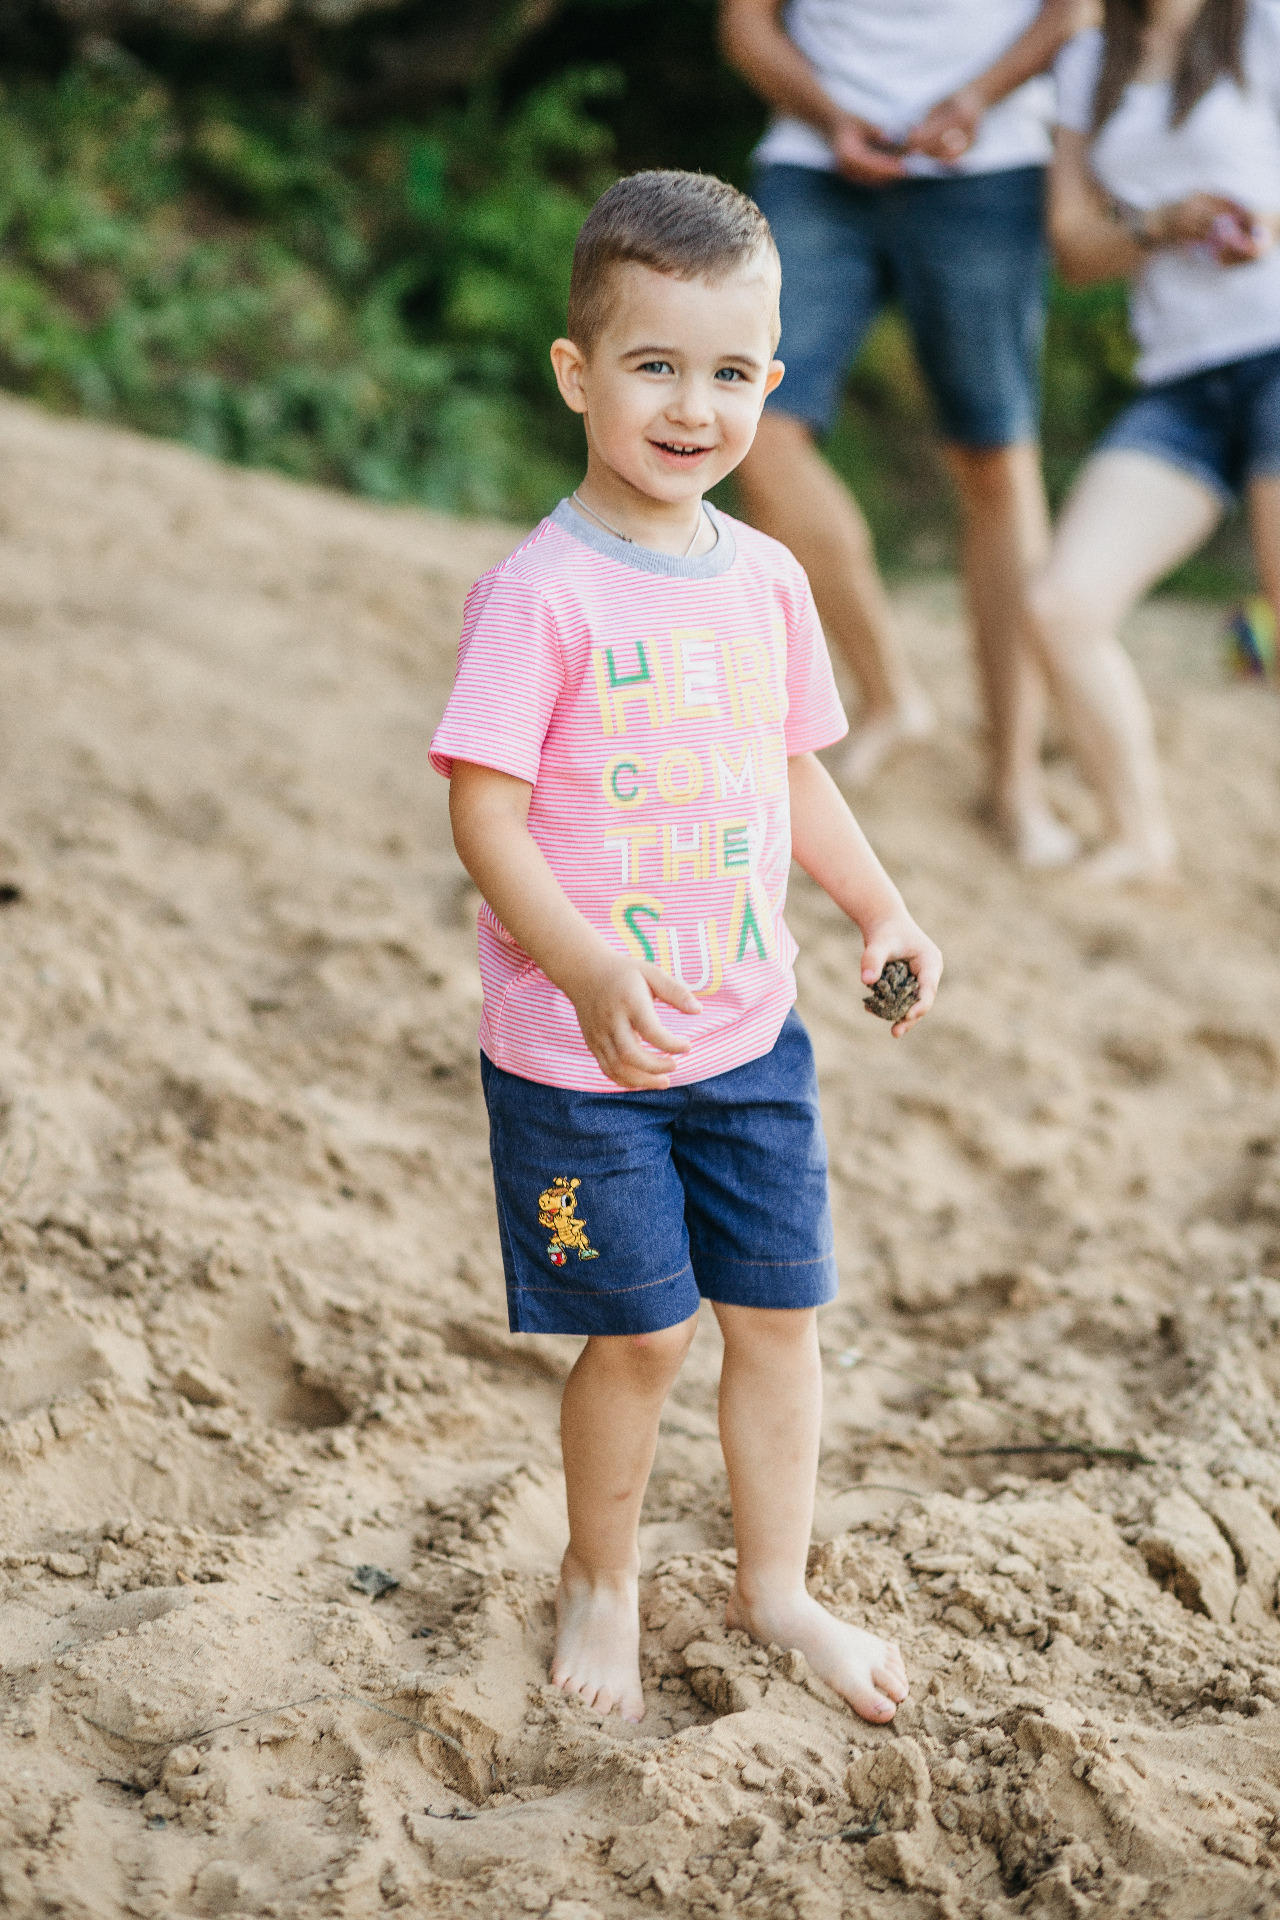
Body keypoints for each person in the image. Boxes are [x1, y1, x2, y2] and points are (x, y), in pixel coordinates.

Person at [430, 171, 942, 1725]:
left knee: (777, 1317)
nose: (693, 405)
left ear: (771, 384)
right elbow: (486, 821)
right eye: (655, 365)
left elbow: (794, 775)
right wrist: (585, 966)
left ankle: (776, 1588)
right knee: (643, 1333)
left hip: (748, 1035)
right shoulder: (540, 595)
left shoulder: (769, 581)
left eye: (731, 373)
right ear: (580, 374)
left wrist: (881, 905)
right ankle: (601, 1581)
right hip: (577, 1059)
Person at [720, 0, 1089, 864]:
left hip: (991, 164)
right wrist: (831, 115)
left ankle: (1014, 783)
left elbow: (1076, 13)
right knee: (751, 429)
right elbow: (746, 28)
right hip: (813, 162)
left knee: (994, 461)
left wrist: (977, 98)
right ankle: (890, 695)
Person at [1026, 0, 1280, 883]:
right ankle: (1140, 838)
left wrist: (1262, 222)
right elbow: (1073, 247)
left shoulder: (1261, 26)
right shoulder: (1089, 57)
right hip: (1181, 382)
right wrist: (1165, 224)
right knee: (1062, 603)